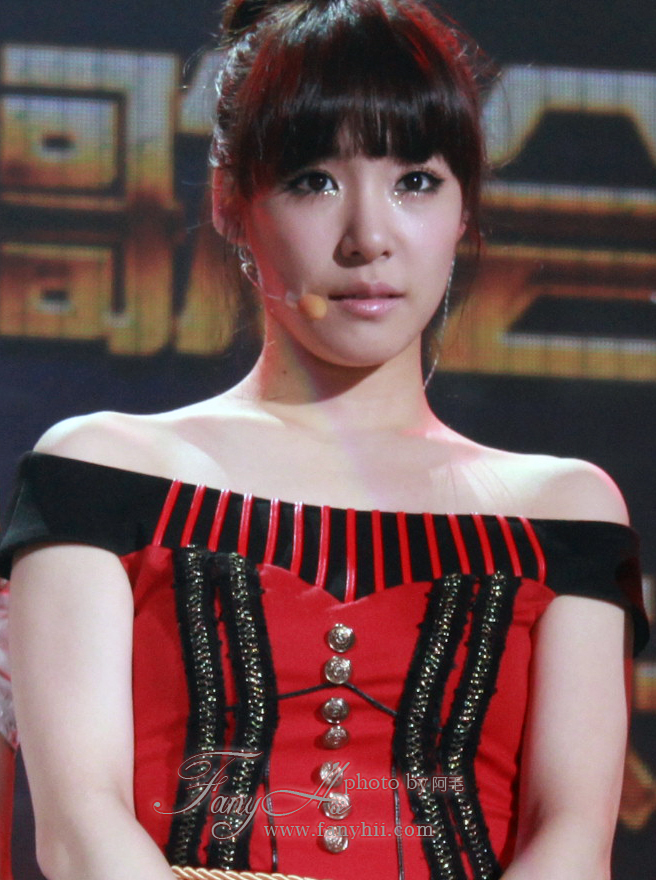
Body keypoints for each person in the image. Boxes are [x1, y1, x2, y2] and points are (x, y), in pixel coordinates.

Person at [0, 1, 648, 879]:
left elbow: (572, 842)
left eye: (415, 180)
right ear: (230, 201)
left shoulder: (566, 513)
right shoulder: (101, 475)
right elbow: (81, 829)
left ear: (465, 207)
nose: (370, 238)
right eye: (314, 180)